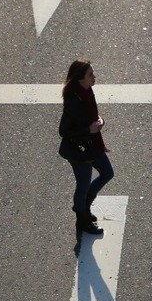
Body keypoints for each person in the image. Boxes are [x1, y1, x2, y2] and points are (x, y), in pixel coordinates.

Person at [58, 59, 113, 235]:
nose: (94, 77)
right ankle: (82, 220)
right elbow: (64, 131)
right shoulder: (74, 100)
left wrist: (98, 121)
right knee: (83, 185)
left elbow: (91, 116)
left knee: (107, 173)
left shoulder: (87, 91)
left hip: (92, 144)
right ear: (80, 78)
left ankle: (84, 206)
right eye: (90, 74)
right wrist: (88, 129)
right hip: (79, 150)